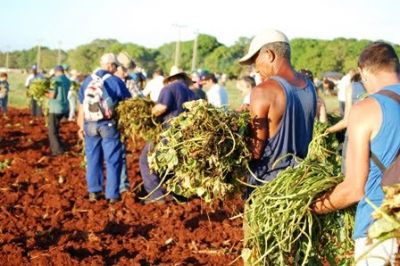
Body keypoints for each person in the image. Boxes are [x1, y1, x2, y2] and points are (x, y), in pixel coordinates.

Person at [311, 42, 400, 265]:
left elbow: (354, 189)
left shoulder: (367, 108)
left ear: (364, 71)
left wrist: (312, 207)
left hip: (381, 230)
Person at [238, 29, 317, 188]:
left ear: (269, 54)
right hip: (300, 182)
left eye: (255, 62)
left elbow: (256, 151)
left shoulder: (262, 91)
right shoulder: (310, 86)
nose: (257, 69)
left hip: (268, 186)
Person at [77, 53, 131, 203]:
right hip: (107, 124)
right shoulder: (115, 81)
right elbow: (128, 102)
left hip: (89, 124)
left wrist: (81, 126)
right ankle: (112, 195)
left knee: (93, 158)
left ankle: (94, 192)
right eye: (115, 66)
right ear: (111, 66)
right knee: (112, 159)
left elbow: (81, 105)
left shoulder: (87, 80)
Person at [139, 66, 196, 202]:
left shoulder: (169, 88)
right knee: (175, 164)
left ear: (171, 78)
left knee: (146, 160)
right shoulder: (192, 93)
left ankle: (156, 196)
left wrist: (149, 114)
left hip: (168, 131)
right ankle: (179, 196)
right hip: (185, 133)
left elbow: (161, 108)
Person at [47, 65, 71, 156]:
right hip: (64, 107)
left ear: (56, 71)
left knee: (52, 131)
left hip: (55, 108)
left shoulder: (55, 80)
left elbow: (52, 95)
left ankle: (57, 151)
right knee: (56, 129)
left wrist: (45, 93)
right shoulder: (67, 80)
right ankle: (60, 147)